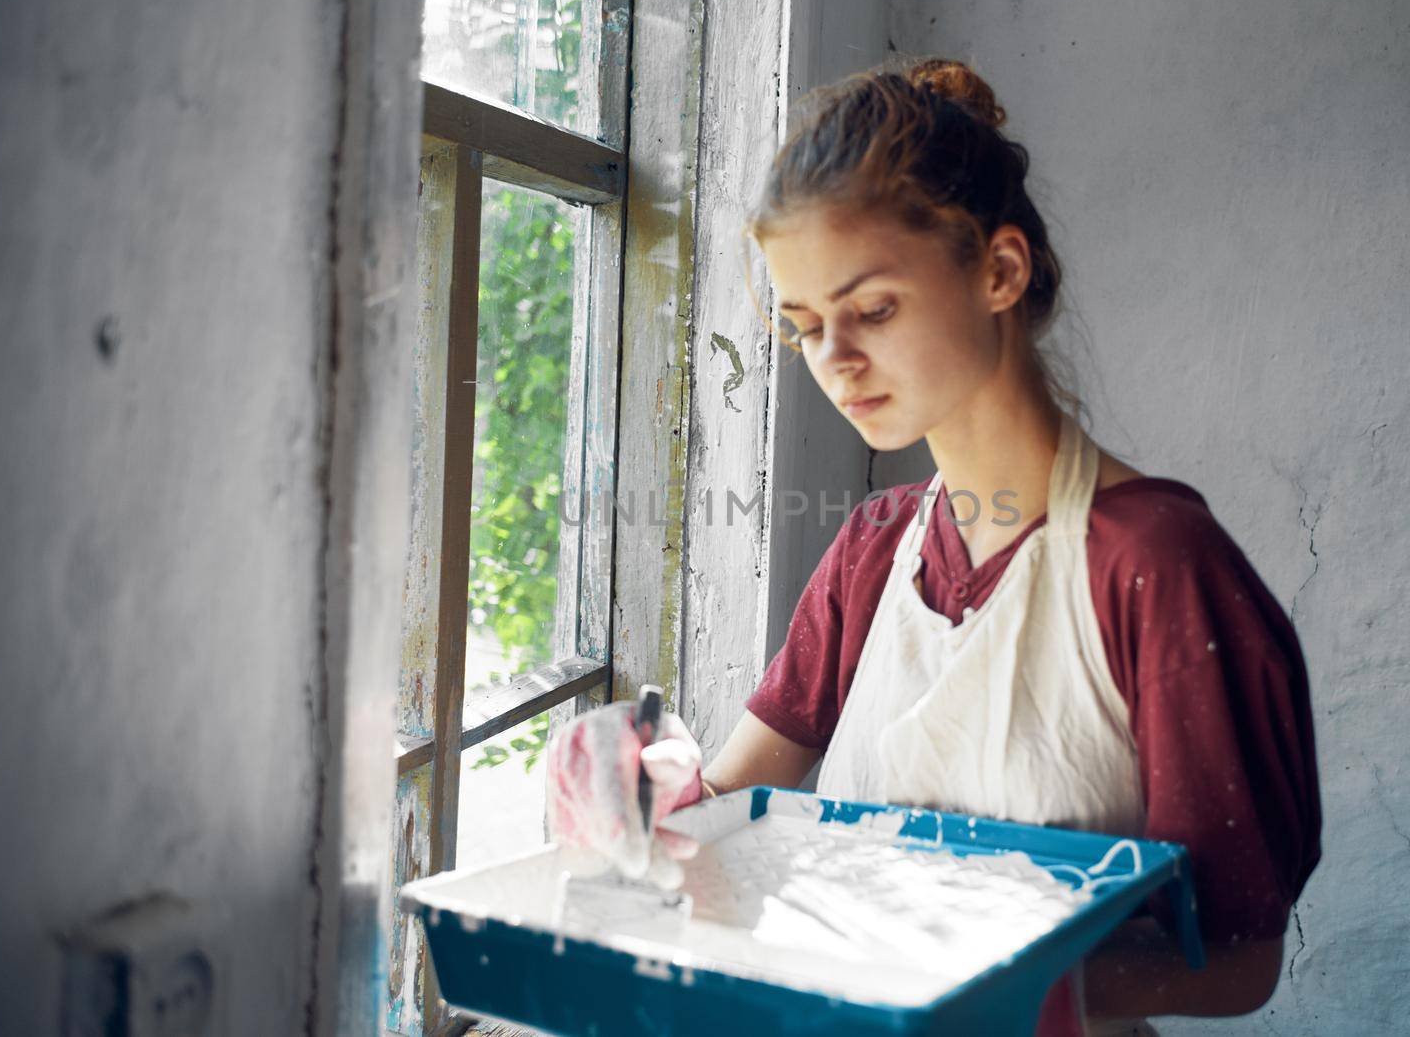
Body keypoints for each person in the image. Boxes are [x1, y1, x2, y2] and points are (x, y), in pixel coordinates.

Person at [544, 57, 1322, 1036]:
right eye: (803, 327)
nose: (834, 359)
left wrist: (1014, 980)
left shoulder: (1158, 564)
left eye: (872, 310)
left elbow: (1239, 954)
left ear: (999, 270)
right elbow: (727, 804)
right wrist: (633, 804)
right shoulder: (875, 546)